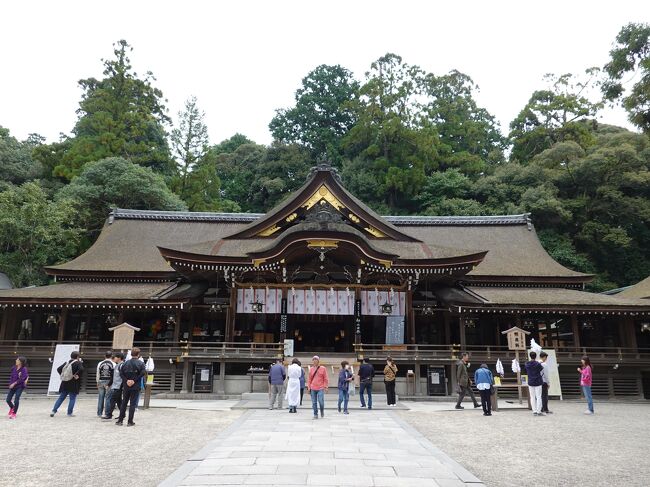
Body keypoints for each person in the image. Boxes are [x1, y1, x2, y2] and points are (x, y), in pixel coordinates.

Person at [116, 347, 146, 426]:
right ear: (138, 354)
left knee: (124, 403)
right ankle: (130, 421)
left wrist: (127, 380)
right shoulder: (141, 363)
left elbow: (121, 373)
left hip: (126, 385)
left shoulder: (125, 363)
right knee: (132, 403)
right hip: (135, 385)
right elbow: (142, 373)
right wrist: (134, 380)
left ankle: (120, 420)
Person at [51, 351, 84, 417]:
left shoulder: (67, 363)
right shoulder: (78, 363)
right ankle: (69, 413)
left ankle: (53, 411)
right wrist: (76, 375)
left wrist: (64, 375)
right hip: (73, 383)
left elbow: (58, 369)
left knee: (61, 398)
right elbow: (81, 369)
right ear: (77, 357)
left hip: (65, 383)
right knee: (72, 398)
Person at [102, 352, 124, 420]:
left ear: (119, 358)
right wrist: (109, 384)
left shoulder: (122, 365)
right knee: (119, 401)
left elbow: (123, 376)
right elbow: (114, 377)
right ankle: (122, 415)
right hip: (115, 385)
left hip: (119, 386)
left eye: (115, 357)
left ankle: (109, 415)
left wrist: (122, 386)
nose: (114, 358)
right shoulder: (117, 365)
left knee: (112, 400)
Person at [525, 351, 544, 416]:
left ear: (530, 356)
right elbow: (541, 369)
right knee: (538, 397)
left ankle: (534, 411)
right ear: (536, 356)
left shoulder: (527, 364)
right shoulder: (538, 364)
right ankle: (539, 411)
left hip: (530, 381)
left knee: (532, 397)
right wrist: (539, 362)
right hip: (538, 381)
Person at [96, 351, 114, 418]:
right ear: (111, 356)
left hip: (101, 380)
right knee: (108, 398)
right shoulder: (113, 363)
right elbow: (113, 375)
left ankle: (99, 413)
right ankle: (107, 413)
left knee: (101, 397)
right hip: (109, 382)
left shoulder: (100, 363)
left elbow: (98, 373)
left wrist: (97, 381)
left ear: (104, 355)